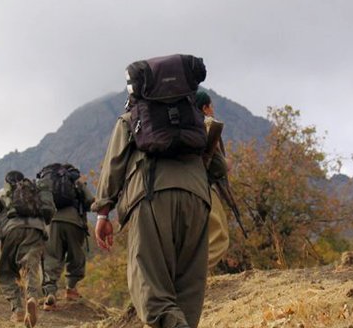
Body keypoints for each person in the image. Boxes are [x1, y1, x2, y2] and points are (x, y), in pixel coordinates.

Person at [91, 97, 211, 326]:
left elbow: (113, 167)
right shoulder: (195, 118)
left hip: (151, 196)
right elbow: (217, 167)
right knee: (189, 285)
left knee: (147, 281)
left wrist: (103, 213)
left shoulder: (131, 119)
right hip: (197, 200)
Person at [0, 170, 55, 327]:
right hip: (36, 230)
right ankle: (32, 297)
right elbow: (49, 211)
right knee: (30, 266)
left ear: (7, 182)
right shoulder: (34, 192)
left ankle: (18, 310)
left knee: (6, 272)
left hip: (12, 230)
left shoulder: (2, 193)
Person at [41, 164, 95, 310]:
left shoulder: (49, 181)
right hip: (73, 221)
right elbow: (90, 200)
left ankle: (49, 295)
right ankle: (71, 289)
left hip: (51, 222)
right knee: (75, 255)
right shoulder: (75, 178)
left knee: (52, 257)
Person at [195, 91, 231, 268]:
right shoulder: (208, 125)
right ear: (204, 108)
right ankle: (194, 275)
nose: (213, 109)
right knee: (219, 236)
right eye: (211, 105)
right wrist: (225, 164)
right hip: (200, 186)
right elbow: (219, 167)